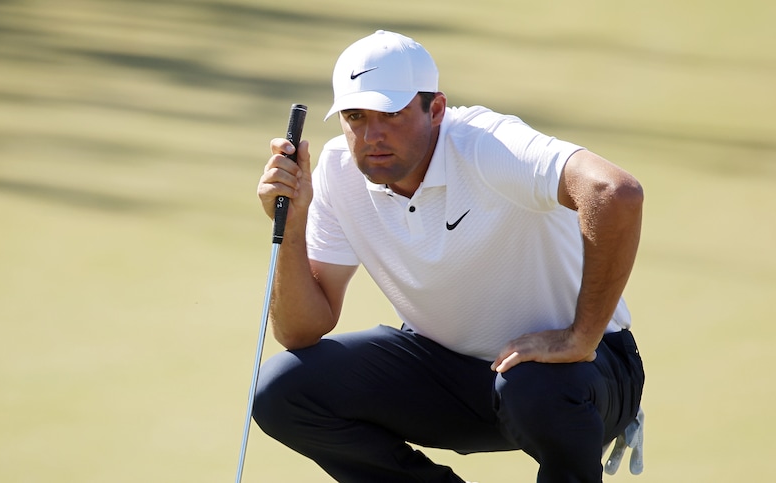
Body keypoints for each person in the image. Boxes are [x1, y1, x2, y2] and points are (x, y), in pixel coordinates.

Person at [253, 30, 645, 483]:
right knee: (283, 390)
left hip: (579, 375)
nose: (372, 135)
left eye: (392, 114)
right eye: (355, 116)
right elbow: (300, 330)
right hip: (451, 374)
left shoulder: (486, 144)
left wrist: (580, 338)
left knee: (533, 387)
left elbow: (614, 192)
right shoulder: (339, 169)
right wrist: (293, 223)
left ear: (435, 109)